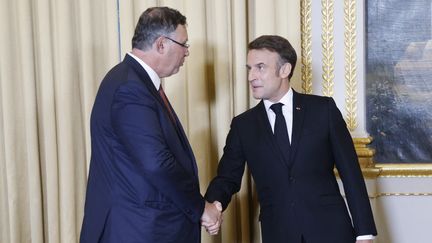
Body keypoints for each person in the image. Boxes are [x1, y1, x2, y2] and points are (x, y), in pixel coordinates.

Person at [204, 35, 377, 243]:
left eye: (260, 67)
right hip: (278, 234)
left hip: (331, 231)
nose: (251, 76)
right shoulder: (243, 125)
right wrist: (213, 205)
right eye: (249, 68)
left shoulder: (324, 110)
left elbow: (351, 175)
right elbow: (227, 178)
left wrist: (364, 233)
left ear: (285, 70)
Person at [80, 7, 221, 243]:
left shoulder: (132, 80)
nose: (187, 53)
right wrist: (202, 208)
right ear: (161, 44)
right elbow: (156, 163)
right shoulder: (130, 88)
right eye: (184, 44)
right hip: (138, 229)